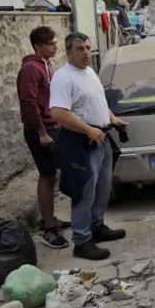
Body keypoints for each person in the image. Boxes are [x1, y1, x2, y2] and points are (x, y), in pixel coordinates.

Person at [50, 32, 128, 260]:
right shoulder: (64, 77)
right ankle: (82, 241)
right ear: (68, 52)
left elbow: (98, 101)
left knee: (102, 188)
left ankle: (97, 227)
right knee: (83, 192)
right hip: (81, 142)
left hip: (101, 138)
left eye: (87, 47)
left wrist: (112, 118)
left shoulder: (89, 71)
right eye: (80, 49)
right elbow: (57, 113)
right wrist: (87, 129)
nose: (86, 52)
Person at [17, 26, 71, 249]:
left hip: (52, 127)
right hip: (41, 131)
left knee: (52, 175)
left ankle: (50, 218)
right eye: (50, 43)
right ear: (38, 46)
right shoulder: (31, 68)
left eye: (55, 42)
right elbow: (28, 103)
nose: (55, 46)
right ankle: (48, 228)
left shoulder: (47, 66)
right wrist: (42, 133)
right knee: (47, 176)